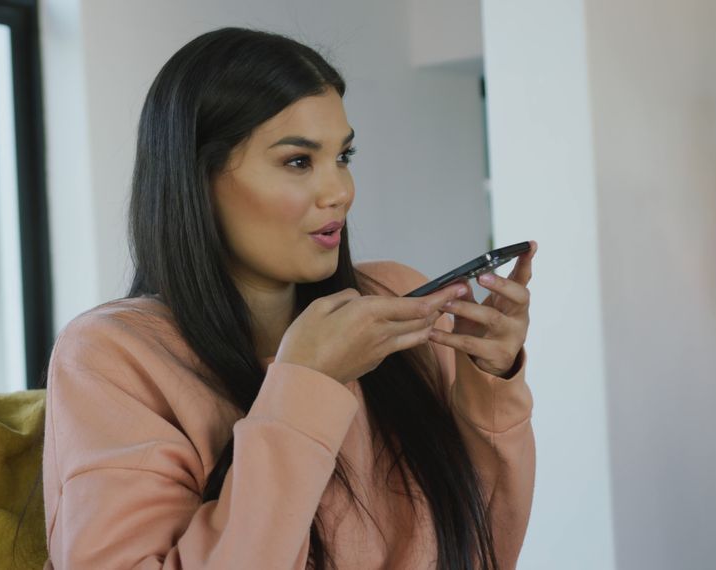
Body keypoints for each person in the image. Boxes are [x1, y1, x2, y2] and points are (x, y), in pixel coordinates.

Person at [42, 27, 536, 569]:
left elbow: (486, 547)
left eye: (344, 156)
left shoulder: (392, 297)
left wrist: (490, 383)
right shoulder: (113, 356)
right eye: (298, 161)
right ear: (198, 178)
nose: (340, 192)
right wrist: (306, 386)